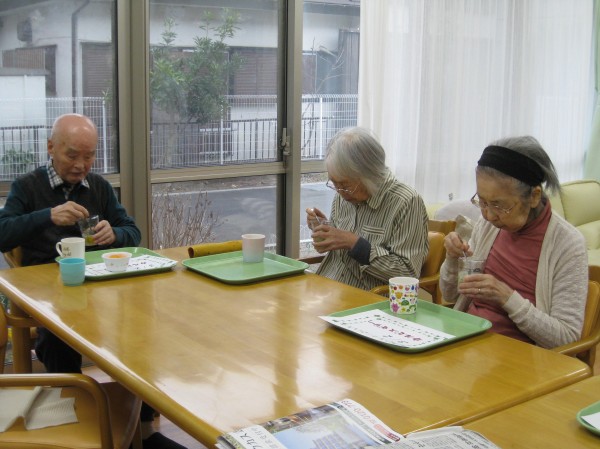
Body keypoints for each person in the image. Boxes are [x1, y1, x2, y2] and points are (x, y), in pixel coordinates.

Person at [0, 113, 184, 449]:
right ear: (51, 148)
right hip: (50, 292)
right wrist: (47, 216)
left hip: (102, 290)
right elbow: (3, 232)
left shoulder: (98, 187)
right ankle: (70, 417)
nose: (81, 165)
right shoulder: (28, 187)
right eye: (72, 155)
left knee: (143, 329)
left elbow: (133, 232)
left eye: (89, 156)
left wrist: (115, 234)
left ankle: (143, 429)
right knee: (57, 339)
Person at [439, 136, 588, 349]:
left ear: (534, 196)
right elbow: (450, 294)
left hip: (522, 355)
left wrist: (507, 297)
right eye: (482, 202)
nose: (488, 215)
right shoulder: (489, 226)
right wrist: (452, 259)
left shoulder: (567, 244)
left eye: (500, 206)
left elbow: (566, 338)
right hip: (469, 339)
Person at [306, 127, 429, 291]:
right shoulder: (344, 196)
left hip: (369, 296)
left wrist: (355, 244)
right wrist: (324, 229)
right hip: (329, 286)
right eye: (334, 184)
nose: (340, 192)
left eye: (345, 185)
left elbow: (407, 273)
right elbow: (335, 248)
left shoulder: (406, 202)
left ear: (369, 174)